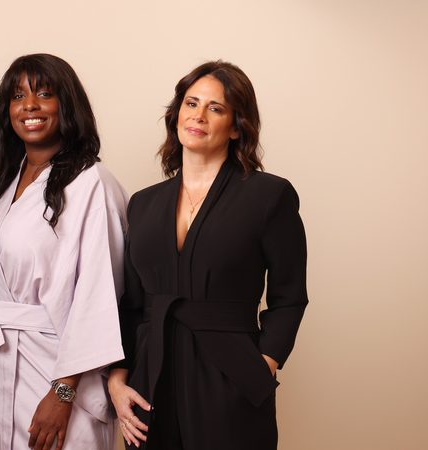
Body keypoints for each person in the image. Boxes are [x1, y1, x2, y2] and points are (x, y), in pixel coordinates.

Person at [108, 61, 308, 450]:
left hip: (231, 371)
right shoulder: (143, 204)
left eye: (215, 108)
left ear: (236, 126)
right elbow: (131, 304)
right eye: (190, 103)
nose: (197, 115)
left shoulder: (269, 196)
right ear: (176, 114)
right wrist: (118, 379)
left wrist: (262, 365)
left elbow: (289, 297)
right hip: (151, 375)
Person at [0, 53, 127, 450]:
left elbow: (99, 297)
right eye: (17, 96)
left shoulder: (92, 183)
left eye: (44, 93)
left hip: (57, 375)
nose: (29, 105)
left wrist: (62, 394)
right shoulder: (1, 187)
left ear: (68, 105)